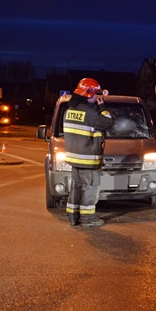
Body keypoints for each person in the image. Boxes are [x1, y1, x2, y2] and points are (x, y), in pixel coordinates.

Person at [63, 78, 115, 227]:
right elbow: (109, 122)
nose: (97, 97)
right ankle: (88, 219)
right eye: (96, 94)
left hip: (74, 160)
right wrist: (102, 107)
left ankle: (72, 217)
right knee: (90, 188)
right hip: (89, 160)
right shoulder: (91, 113)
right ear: (89, 94)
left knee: (76, 188)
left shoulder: (68, 111)